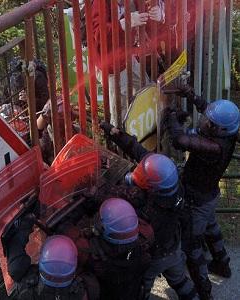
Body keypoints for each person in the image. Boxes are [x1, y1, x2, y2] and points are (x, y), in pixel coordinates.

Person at [100, 122, 198, 299]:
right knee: (181, 282)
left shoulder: (146, 207)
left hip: (154, 258)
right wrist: (116, 134)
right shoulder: (171, 182)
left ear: (150, 189)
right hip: (174, 248)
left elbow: (121, 197)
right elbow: (139, 152)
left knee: (141, 289)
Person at [166, 85, 239, 299]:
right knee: (211, 228)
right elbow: (212, 113)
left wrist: (170, 118)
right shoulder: (229, 132)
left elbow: (180, 141)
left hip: (196, 201)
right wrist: (192, 96)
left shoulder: (214, 147)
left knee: (191, 247)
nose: (204, 122)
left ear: (217, 129)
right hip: (208, 196)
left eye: (209, 122)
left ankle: (204, 291)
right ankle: (222, 264)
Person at [83, 1, 164, 126]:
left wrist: (160, 14)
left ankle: (142, 136)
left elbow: (145, 17)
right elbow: (98, 33)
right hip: (110, 65)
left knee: (147, 93)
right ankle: (120, 141)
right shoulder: (101, 3)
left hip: (126, 57)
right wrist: (126, 23)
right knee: (120, 114)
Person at [4, 212, 97, 299]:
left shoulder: (25, 289)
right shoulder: (87, 290)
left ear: (41, 261)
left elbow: (16, 268)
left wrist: (23, 230)